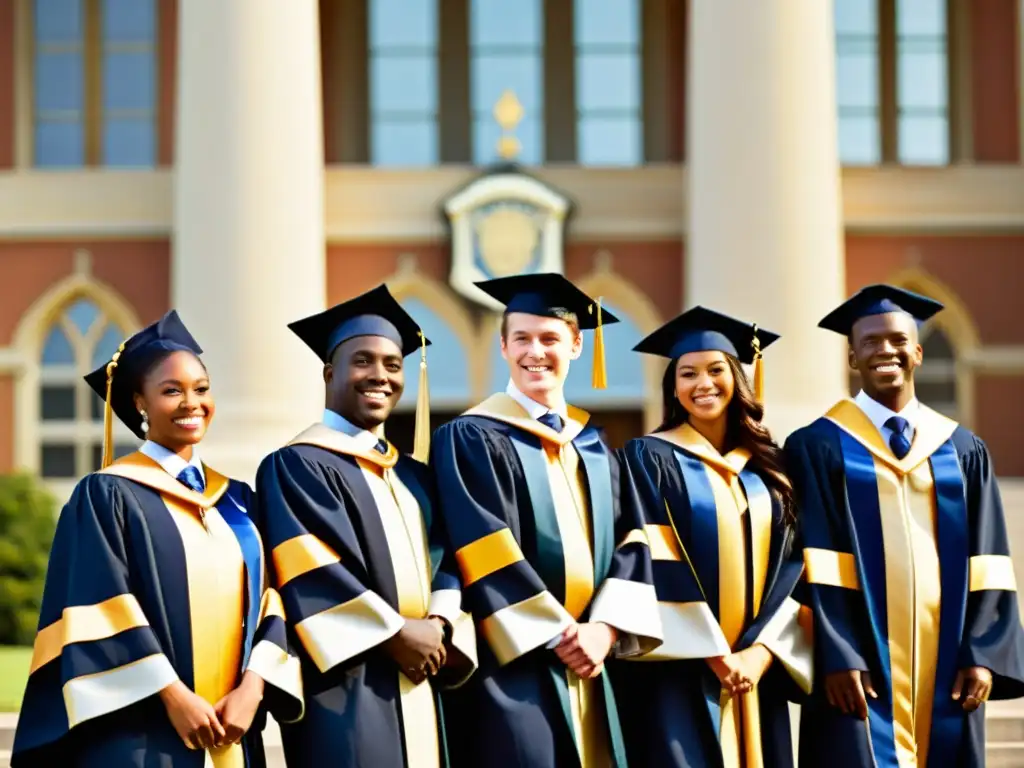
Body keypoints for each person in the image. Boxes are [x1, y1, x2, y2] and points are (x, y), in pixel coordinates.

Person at [12, 310, 302, 768]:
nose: (192, 403)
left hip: (233, 731)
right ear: (139, 403)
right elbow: (101, 607)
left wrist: (254, 687)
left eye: (201, 389)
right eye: (172, 390)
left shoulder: (238, 500)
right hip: (142, 734)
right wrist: (173, 696)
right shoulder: (109, 494)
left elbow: (272, 600)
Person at [431, 273, 663, 768]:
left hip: (597, 659)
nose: (535, 351)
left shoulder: (596, 445)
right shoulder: (468, 437)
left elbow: (634, 540)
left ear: (577, 345)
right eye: (522, 339)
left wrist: (604, 628)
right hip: (515, 661)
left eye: (550, 338)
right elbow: (480, 543)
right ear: (503, 346)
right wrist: (561, 634)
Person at [790, 284, 1024, 767]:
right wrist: (837, 656)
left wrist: (982, 651)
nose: (885, 350)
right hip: (857, 667)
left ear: (917, 351)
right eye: (870, 342)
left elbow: (990, 559)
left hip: (948, 661)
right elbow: (812, 561)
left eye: (897, 339)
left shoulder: (962, 450)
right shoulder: (817, 446)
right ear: (852, 356)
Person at [253, 284, 476, 768]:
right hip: (348, 684)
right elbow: (309, 568)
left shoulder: (416, 475)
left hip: (424, 672)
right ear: (330, 373)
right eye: (363, 361)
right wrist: (398, 634)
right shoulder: (296, 466)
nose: (380, 376)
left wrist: (438, 625)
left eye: (393, 366)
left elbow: (447, 557)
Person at [613, 306, 812, 767]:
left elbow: (794, 568)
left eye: (716, 370)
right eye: (688, 373)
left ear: (737, 378)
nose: (703, 383)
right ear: (673, 387)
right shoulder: (648, 458)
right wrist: (715, 654)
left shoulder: (773, 469)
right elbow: (651, 554)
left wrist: (760, 654)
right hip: (677, 670)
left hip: (756, 671)